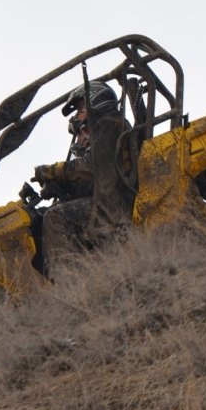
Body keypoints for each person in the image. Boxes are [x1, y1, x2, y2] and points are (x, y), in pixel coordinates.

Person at [31, 80, 133, 274]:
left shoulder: (108, 124)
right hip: (109, 203)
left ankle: (68, 283)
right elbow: (97, 179)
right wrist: (60, 187)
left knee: (55, 217)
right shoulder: (111, 126)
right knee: (52, 211)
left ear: (93, 101)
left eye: (79, 109)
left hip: (113, 208)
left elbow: (92, 167)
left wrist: (57, 170)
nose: (77, 117)